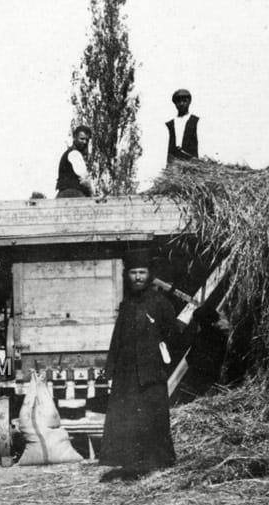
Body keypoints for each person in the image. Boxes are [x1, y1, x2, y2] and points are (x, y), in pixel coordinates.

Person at [99, 251, 214, 481]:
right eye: (133, 273)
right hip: (128, 375)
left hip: (152, 374)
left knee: (153, 419)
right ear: (127, 276)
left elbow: (174, 336)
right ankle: (131, 465)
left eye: (142, 272)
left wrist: (170, 349)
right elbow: (117, 338)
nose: (138, 277)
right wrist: (110, 367)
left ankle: (157, 464)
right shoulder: (127, 305)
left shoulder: (160, 304)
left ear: (149, 275)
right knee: (127, 418)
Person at [55, 125, 94, 198]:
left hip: (63, 194)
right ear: (75, 137)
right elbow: (84, 179)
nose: (85, 142)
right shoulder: (74, 154)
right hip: (73, 194)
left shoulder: (70, 153)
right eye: (82, 139)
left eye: (87, 140)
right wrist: (92, 193)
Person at [166, 89, 199, 164]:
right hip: (174, 162)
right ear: (175, 103)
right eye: (178, 101)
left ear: (189, 102)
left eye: (184, 101)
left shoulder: (196, 121)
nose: (181, 104)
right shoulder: (169, 124)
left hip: (191, 163)